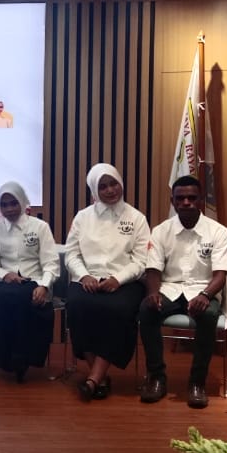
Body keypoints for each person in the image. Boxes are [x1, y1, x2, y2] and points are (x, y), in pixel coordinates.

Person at [139, 175, 227, 409]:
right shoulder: (161, 231)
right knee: (147, 310)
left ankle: (197, 383)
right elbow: (153, 269)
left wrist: (205, 295)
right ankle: (156, 378)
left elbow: (220, 275)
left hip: (203, 291)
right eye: (180, 198)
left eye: (192, 197)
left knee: (209, 315)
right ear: (172, 201)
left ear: (201, 200)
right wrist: (153, 293)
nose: (186, 202)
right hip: (170, 289)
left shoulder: (218, 231)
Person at [64, 163, 149, 401]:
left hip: (126, 282)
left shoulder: (136, 218)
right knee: (77, 305)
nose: (110, 190)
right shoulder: (82, 218)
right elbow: (71, 254)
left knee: (118, 310)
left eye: (114, 184)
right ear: (94, 190)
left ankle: (93, 379)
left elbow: (142, 260)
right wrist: (84, 276)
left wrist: (117, 279)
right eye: (103, 187)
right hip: (87, 279)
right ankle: (98, 377)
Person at [0, 182, 58, 382]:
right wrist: (5, 275)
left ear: (22, 202)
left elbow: (51, 263)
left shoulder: (40, 227)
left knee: (19, 299)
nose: (9, 209)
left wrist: (44, 286)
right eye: (4, 205)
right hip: (5, 284)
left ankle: (19, 358)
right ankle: (7, 358)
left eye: (13, 203)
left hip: (34, 281)